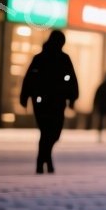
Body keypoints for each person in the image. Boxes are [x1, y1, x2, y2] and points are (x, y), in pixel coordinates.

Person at [20, 30, 79, 174]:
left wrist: (25, 97)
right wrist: (72, 98)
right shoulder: (48, 58)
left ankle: (45, 159)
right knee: (49, 132)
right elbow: (30, 79)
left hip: (49, 102)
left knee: (50, 133)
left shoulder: (52, 58)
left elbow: (71, 80)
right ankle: (43, 162)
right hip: (50, 102)